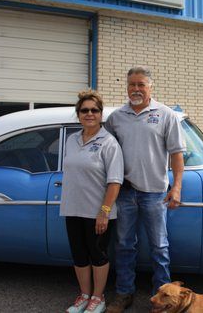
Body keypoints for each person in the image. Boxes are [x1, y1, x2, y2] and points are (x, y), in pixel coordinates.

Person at [105, 66, 185, 313]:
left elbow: (176, 154)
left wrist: (177, 187)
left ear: (151, 87)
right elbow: (105, 152)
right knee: (124, 245)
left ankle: (164, 299)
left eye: (141, 84)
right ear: (127, 87)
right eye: (132, 85)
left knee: (159, 246)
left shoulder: (166, 115)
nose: (136, 89)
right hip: (125, 192)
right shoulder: (116, 117)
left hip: (155, 193)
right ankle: (124, 293)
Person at [60, 90, 124, 313]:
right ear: (78, 114)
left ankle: (98, 297)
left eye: (94, 110)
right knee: (79, 255)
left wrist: (104, 211)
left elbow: (115, 181)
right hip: (72, 208)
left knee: (98, 255)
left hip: (98, 212)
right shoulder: (71, 139)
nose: (89, 114)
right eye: (84, 110)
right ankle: (84, 295)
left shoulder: (109, 143)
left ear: (100, 114)